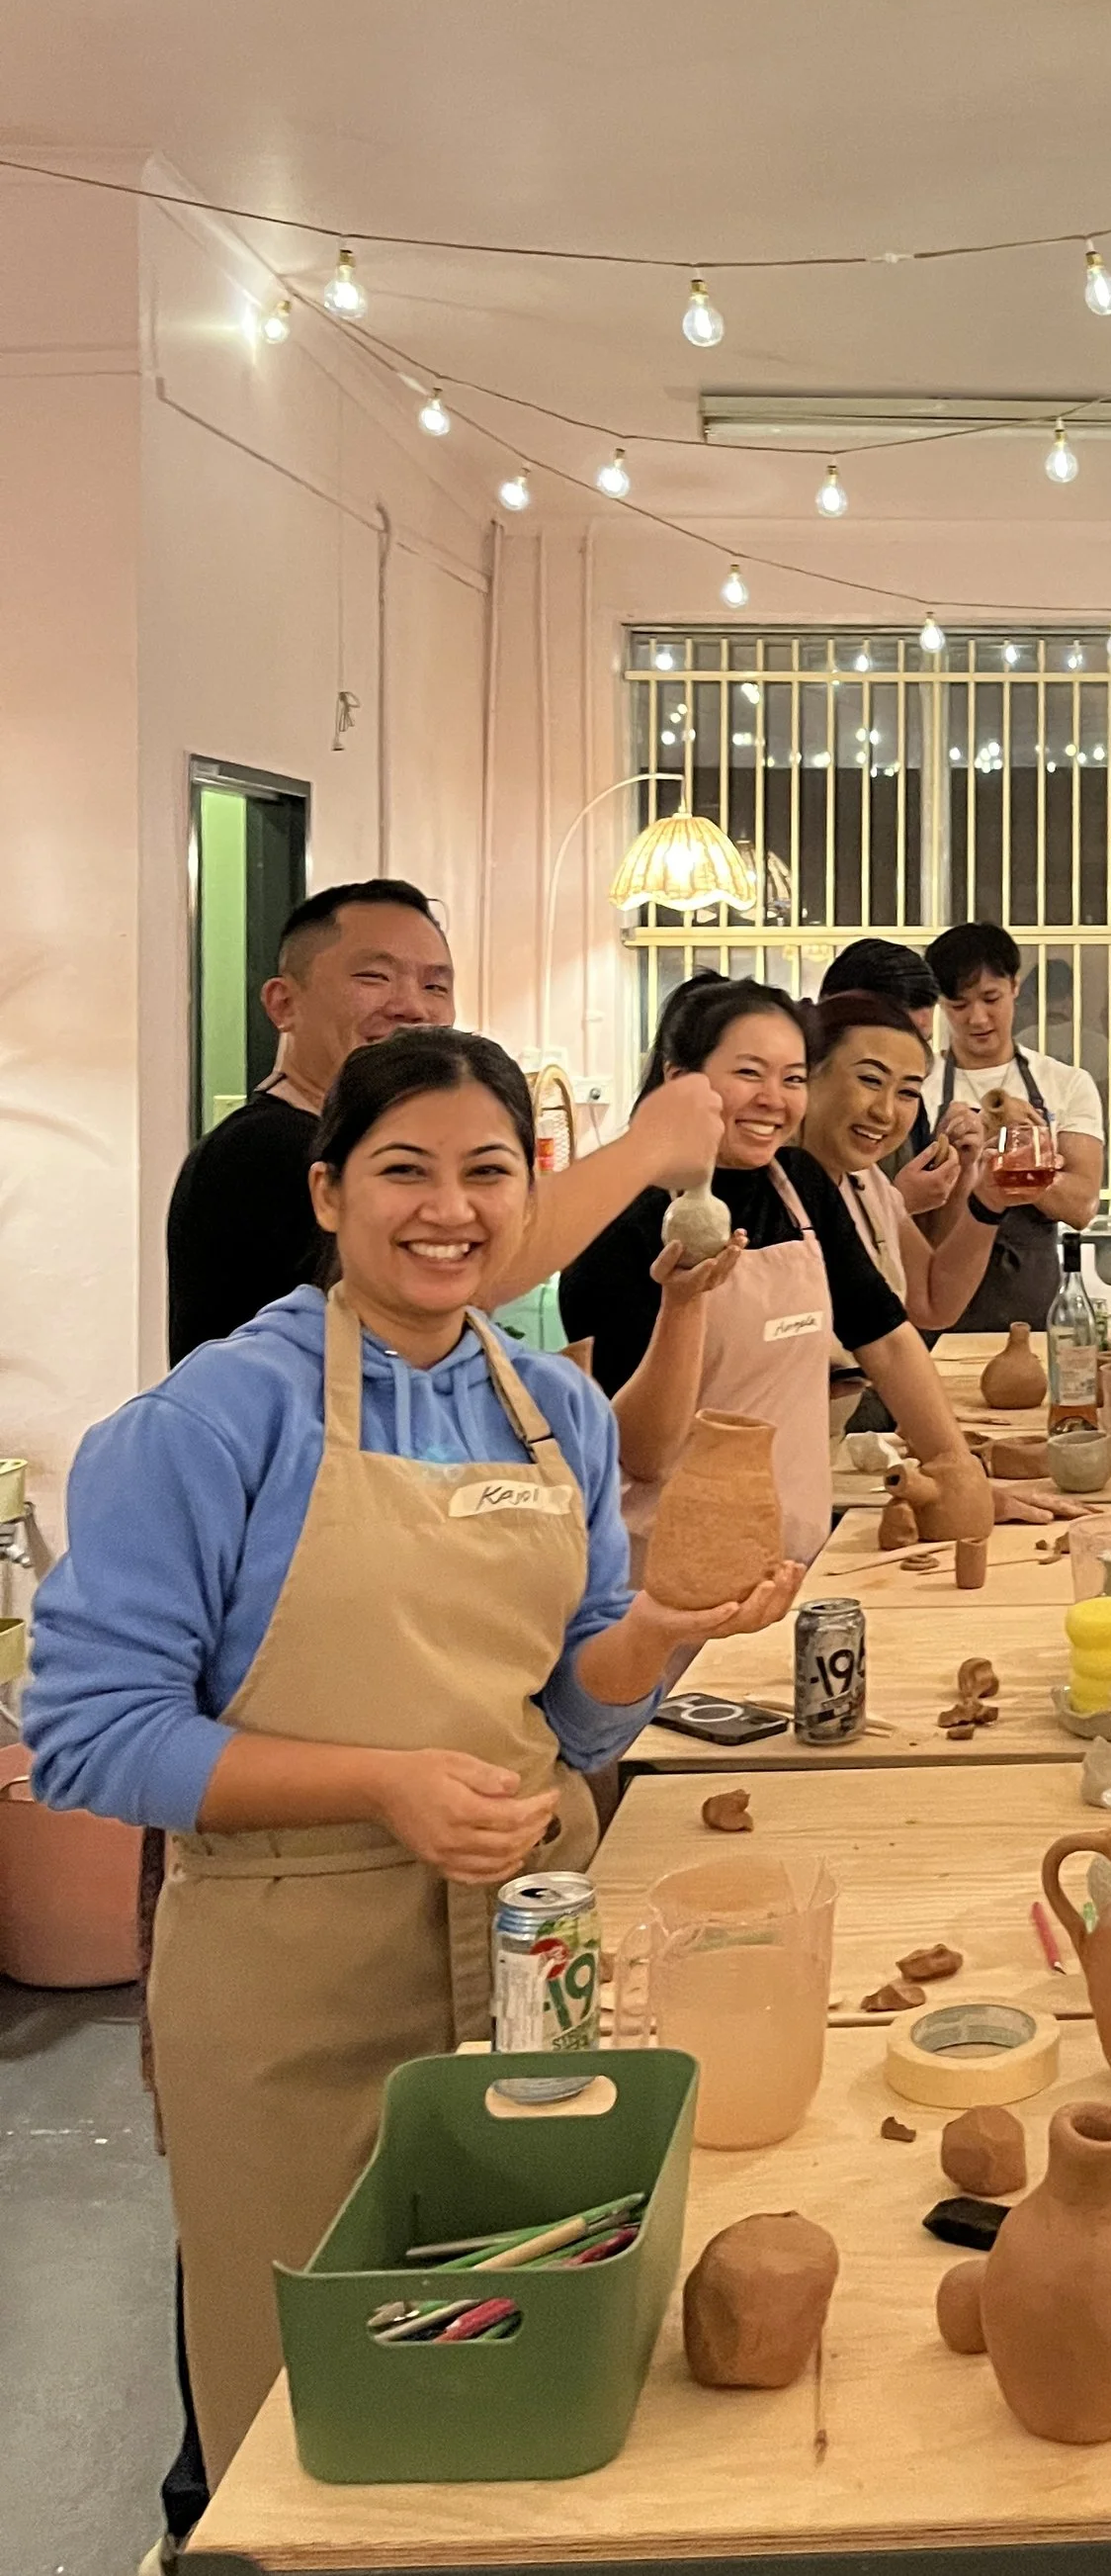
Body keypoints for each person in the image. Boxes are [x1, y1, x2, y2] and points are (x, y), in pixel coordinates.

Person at [26, 1029, 799, 2487]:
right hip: (292, 1976)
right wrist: (381, 1782)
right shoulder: (209, 1422)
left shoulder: (551, 1407)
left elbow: (567, 1712)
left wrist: (657, 1638)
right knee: (319, 2417)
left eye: (487, 1171)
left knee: (532, 2361)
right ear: (327, 1194)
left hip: (530, 1960)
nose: (449, 1208)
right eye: (404, 1170)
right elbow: (86, 1736)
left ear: (530, 1192)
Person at [558, 977, 1060, 1560]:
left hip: (796, 1548)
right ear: (680, 1084)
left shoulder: (800, 1186)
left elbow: (889, 1342)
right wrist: (684, 1303)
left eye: (791, 1078)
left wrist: (955, 1468)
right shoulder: (615, 1225)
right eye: (749, 1073)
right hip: (665, 1570)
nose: (775, 1097)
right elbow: (644, 1453)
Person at [164, 877, 721, 1361]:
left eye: (435, 985)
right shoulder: (265, 1149)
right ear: (284, 1004)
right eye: (374, 977)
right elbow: (483, 1272)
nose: (413, 1007)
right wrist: (649, 1145)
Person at [800, 987, 1003, 1359]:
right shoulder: (757, 1188)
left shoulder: (866, 1181)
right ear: (807, 1074)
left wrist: (988, 1199)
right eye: (870, 1080)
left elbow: (931, 1300)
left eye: (908, 1092)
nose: (886, 1113)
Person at [923, 921, 1105, 1332]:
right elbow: (910, 1216)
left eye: (991, 998)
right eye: (958, 1005)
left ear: (1015, 987)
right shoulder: (920, 1087)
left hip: (1033, 1304)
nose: (978, 1017)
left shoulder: (1066, 1083)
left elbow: (1081, 1207)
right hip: (941, 1302)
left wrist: (1018, 1157)